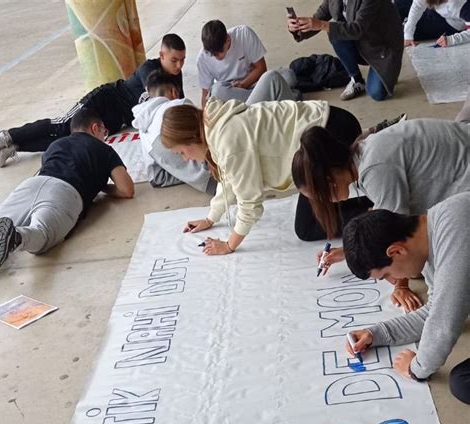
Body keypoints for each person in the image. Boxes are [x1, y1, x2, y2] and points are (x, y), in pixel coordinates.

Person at [291, 118, 470, 310]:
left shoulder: (374, 169)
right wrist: (347, 253)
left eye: (321, 196)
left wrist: (401, 286)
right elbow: (384, 215)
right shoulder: (364, 155)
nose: (327, 202)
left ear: (329, 181)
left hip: (463, 181)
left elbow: (396, 235)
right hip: (458, 162)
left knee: (422, 269)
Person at [160, 97, 362, 255]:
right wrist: (211, 217)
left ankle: (375, 207)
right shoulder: (214, 125)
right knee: (314, 214)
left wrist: (229, 245)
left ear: (191, 139)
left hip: (332, 133)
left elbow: (249, 202)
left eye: (181, 153)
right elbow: (229, 179)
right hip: (329, 124)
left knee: (308, 227)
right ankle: (373, 201)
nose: (186, 159)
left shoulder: (227, 140)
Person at [341, 194, 470, 404]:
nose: (394, 281)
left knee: (463, 383)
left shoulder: (454, 231)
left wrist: (416, 368)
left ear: (396, 251)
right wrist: (377, 334)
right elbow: (434, 311)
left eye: (386, 275)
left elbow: (445, 322)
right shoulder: (433, 230)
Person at [0, 34, 186, 167]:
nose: (179, 65)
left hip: (114, 120)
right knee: (62, 125)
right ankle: (7, 136)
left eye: (182, 60)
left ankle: (17, 146)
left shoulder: (177, 77)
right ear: (162, 55)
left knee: (71, 139)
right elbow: (158, 99)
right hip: (103, 100)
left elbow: (178, 106)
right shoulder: (149, 69)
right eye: (174, 60)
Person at [0, 108, 134, 270]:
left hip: (32, 184)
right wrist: (101, 186)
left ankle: (6, 237)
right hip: (66, 193)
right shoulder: (103, 149)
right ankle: (17, 237)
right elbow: (127, 190)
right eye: (105, 131)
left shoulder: (55, 144)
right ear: (95, 128)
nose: (105, 135)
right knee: (41, 234)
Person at [287, 0, 403, 101]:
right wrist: (298, 28)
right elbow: (319, 17)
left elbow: (358, 28)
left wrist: (322, 25)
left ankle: (389, 70)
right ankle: (356, 80)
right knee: (335, 32)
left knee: (377, 94)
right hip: (361, 42)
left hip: (382, 48)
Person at [132, 70, 217, 194]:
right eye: (181, 153)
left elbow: (156, 178)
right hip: (216, 173)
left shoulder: (143, 130)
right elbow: (207, 135)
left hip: (208, 185)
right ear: (174, 92)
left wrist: (186, 175)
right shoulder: (179, 105)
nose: (186, 158)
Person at [197, 20, 298, 107]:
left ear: (227, 40)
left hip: (254, 84)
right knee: (216, 91)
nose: (215, 56)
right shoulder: (203, 58)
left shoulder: (244, 34)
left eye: (218, 53)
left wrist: (243, 84)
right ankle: (271, 100)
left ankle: (250, 108)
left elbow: (261, 68)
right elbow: (205, 93)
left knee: (289, 76)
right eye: (211, 54)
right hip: (232, 93)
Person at [396, 0, 469, 44]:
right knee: (400, 3)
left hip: (451, 23)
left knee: (414, 32)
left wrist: (451, 39)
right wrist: (408, 33)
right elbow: (417, 6)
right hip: (439, 9)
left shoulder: (462, 6)